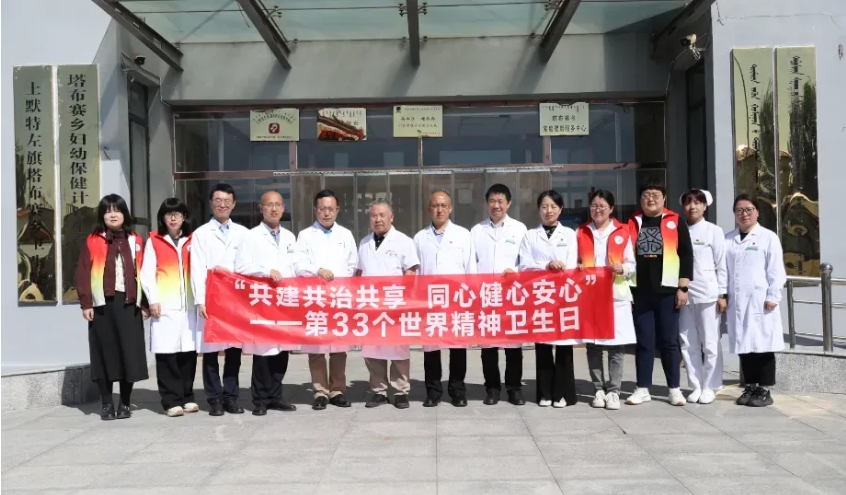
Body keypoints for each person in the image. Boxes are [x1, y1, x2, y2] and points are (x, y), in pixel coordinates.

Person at [75, 194, 149, 420]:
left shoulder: (136, 240)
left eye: (117, 210)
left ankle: (125, 403)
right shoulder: (93, 240)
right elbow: (83, 272)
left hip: (129, 303)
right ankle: (106, 404)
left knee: (129, 353)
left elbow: (145, 272)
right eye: (108, 211)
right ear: (102, 215)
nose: (113, 215)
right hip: (102, 305)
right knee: (103, 353)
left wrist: (145, 303)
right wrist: (86, 303)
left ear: (124, 213)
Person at [626, 182, 694, 406]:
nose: (651, 199)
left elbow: (686, 255)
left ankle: (674, 389)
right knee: (644, 341)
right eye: (646, 195)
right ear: (640, 199)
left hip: (668, 291)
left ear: (664, 198)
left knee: (669, 341)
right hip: (640, 292)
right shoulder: (632, 222)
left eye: (655, 195)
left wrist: (683, 287)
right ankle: (642, 387)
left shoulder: (675, 221)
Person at [234, 191, 298, 415]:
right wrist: (266, 271)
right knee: (263, 353)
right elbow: (241, 267)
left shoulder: (290, 237)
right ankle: (260, 399)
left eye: (278, 205)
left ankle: (276, 396)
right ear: (261, 208)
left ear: (283, 208)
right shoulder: (250, 236)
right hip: (262, 300)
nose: (274, 209)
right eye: (269, 205)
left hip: (284, 300)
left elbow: (295, 267)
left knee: (281, 351)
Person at [294, 190, 357, 411]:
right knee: (317, 348)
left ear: (337, 210)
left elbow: (352, 265)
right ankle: (320, 392)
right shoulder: (305, 236)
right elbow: (298, 265)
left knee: (339, 347)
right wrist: (317, 270)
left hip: (339, 297)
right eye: (322, 209)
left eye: (331, 209)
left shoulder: (346, 235)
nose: (326, 213)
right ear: (315, 210)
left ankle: (337, 390)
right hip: (315, 298)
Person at [191, 183, 249, 416]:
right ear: (211, 204)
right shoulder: (201, 233)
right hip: (211, 298)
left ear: (233, 204)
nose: (222, 205)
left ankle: (231, 397)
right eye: (218, 201)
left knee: (234, 350)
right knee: (211, 351)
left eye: (226, 201)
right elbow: (196, 268)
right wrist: (200, 300)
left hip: (235, 299)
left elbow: (247, 265)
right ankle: (214, 398)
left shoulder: (243, 233)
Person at [356, 199, 420, 409]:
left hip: (395, 304)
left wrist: (405, 301)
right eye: (374, 215)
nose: (378, 219)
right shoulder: (364, 243)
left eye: (382, 215)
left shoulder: (403, 241)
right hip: (370, 304)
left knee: (398, 348)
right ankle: (378, 391)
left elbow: (411, 271)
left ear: (391, 217)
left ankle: (400, 391)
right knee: (373, 349)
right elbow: (359, 273)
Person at [415, 190, 476, 408]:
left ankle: (457, 391)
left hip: (457, 300)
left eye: (443, 206)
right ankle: (433, 392)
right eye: (435, 206)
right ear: (429, 209)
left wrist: (471, 297)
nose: (439, 210)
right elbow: (417, 273)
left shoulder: (463, 235)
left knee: (458, 348)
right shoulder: (420, 238)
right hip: (430, 301)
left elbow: (471, 268)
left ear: (450, 208)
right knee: (431, 349)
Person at [577, 190, 636, 411]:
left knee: (616, 346)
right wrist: (578, 266)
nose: (597, 209)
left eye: (602, 206)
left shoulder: (622, 231)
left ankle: (614, 391)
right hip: (590, 295)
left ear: (611, 208)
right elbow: (574, 260)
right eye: (594, 205)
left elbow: (632, 264)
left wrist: (623, 268)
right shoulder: (581, 232)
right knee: (593, 346)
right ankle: (598, 389)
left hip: (616, 294)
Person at [518, 190, 579, 408]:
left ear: (560, 209)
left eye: (553, 206)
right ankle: (544, 393)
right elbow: (524, 265)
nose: (548, 211)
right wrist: (546, 266)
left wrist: (561, 269)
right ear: (539, 210)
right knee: (543, 345)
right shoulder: (530, 236)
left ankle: (562, 394)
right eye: (544, 206)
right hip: (540, 295)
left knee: (564, 346)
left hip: (563, 296)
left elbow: (572, 264)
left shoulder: (569, 234)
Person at [726, 194, 786, 408]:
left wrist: (773, 296)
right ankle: (750, 386)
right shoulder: (728, 239)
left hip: (761, 301)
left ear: (757, 212)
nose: (744, 214)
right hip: (737, 302)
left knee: (763, 345)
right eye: (739, 210)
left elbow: (776, 270)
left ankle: (764, 389)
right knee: (744, 345)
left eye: (748, 209)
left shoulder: (768, 237)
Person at [141, 198, 198, 417]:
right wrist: (152, 300)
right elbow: (147, 273)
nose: (173, 218)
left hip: (189, 306)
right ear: (162, 218)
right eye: (168, 214)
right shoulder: (154, 240)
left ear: (184, 217)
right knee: (167, 354)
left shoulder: (193, 240)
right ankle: (171, 401)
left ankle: (187, 396)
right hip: (165, 305)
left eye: (177, 214)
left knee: (188, 353)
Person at [471, 184, 528, 406]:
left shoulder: (519, 229)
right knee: (489, 346)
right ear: (487, 204)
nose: (496, 205)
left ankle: (514, 389)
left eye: (500, 201)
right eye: (492, 201)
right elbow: (471, 263)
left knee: (513, 346)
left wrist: (517, 272)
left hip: (512, 295)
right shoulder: (477, 230)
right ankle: (492, 388)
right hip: (486, 295)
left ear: (508, 203)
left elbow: (526, 261)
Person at [679, 189, 727, 404]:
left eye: (698, 202)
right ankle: (696, 385)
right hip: (684, 293)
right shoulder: (678, 230)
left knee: (710, 341)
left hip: (708, 292)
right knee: (687, 342)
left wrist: (722, 293)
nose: (693, 207)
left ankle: (711, 385)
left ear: (705, 206)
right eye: (688, 202)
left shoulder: (713, 231)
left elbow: (721, 264)